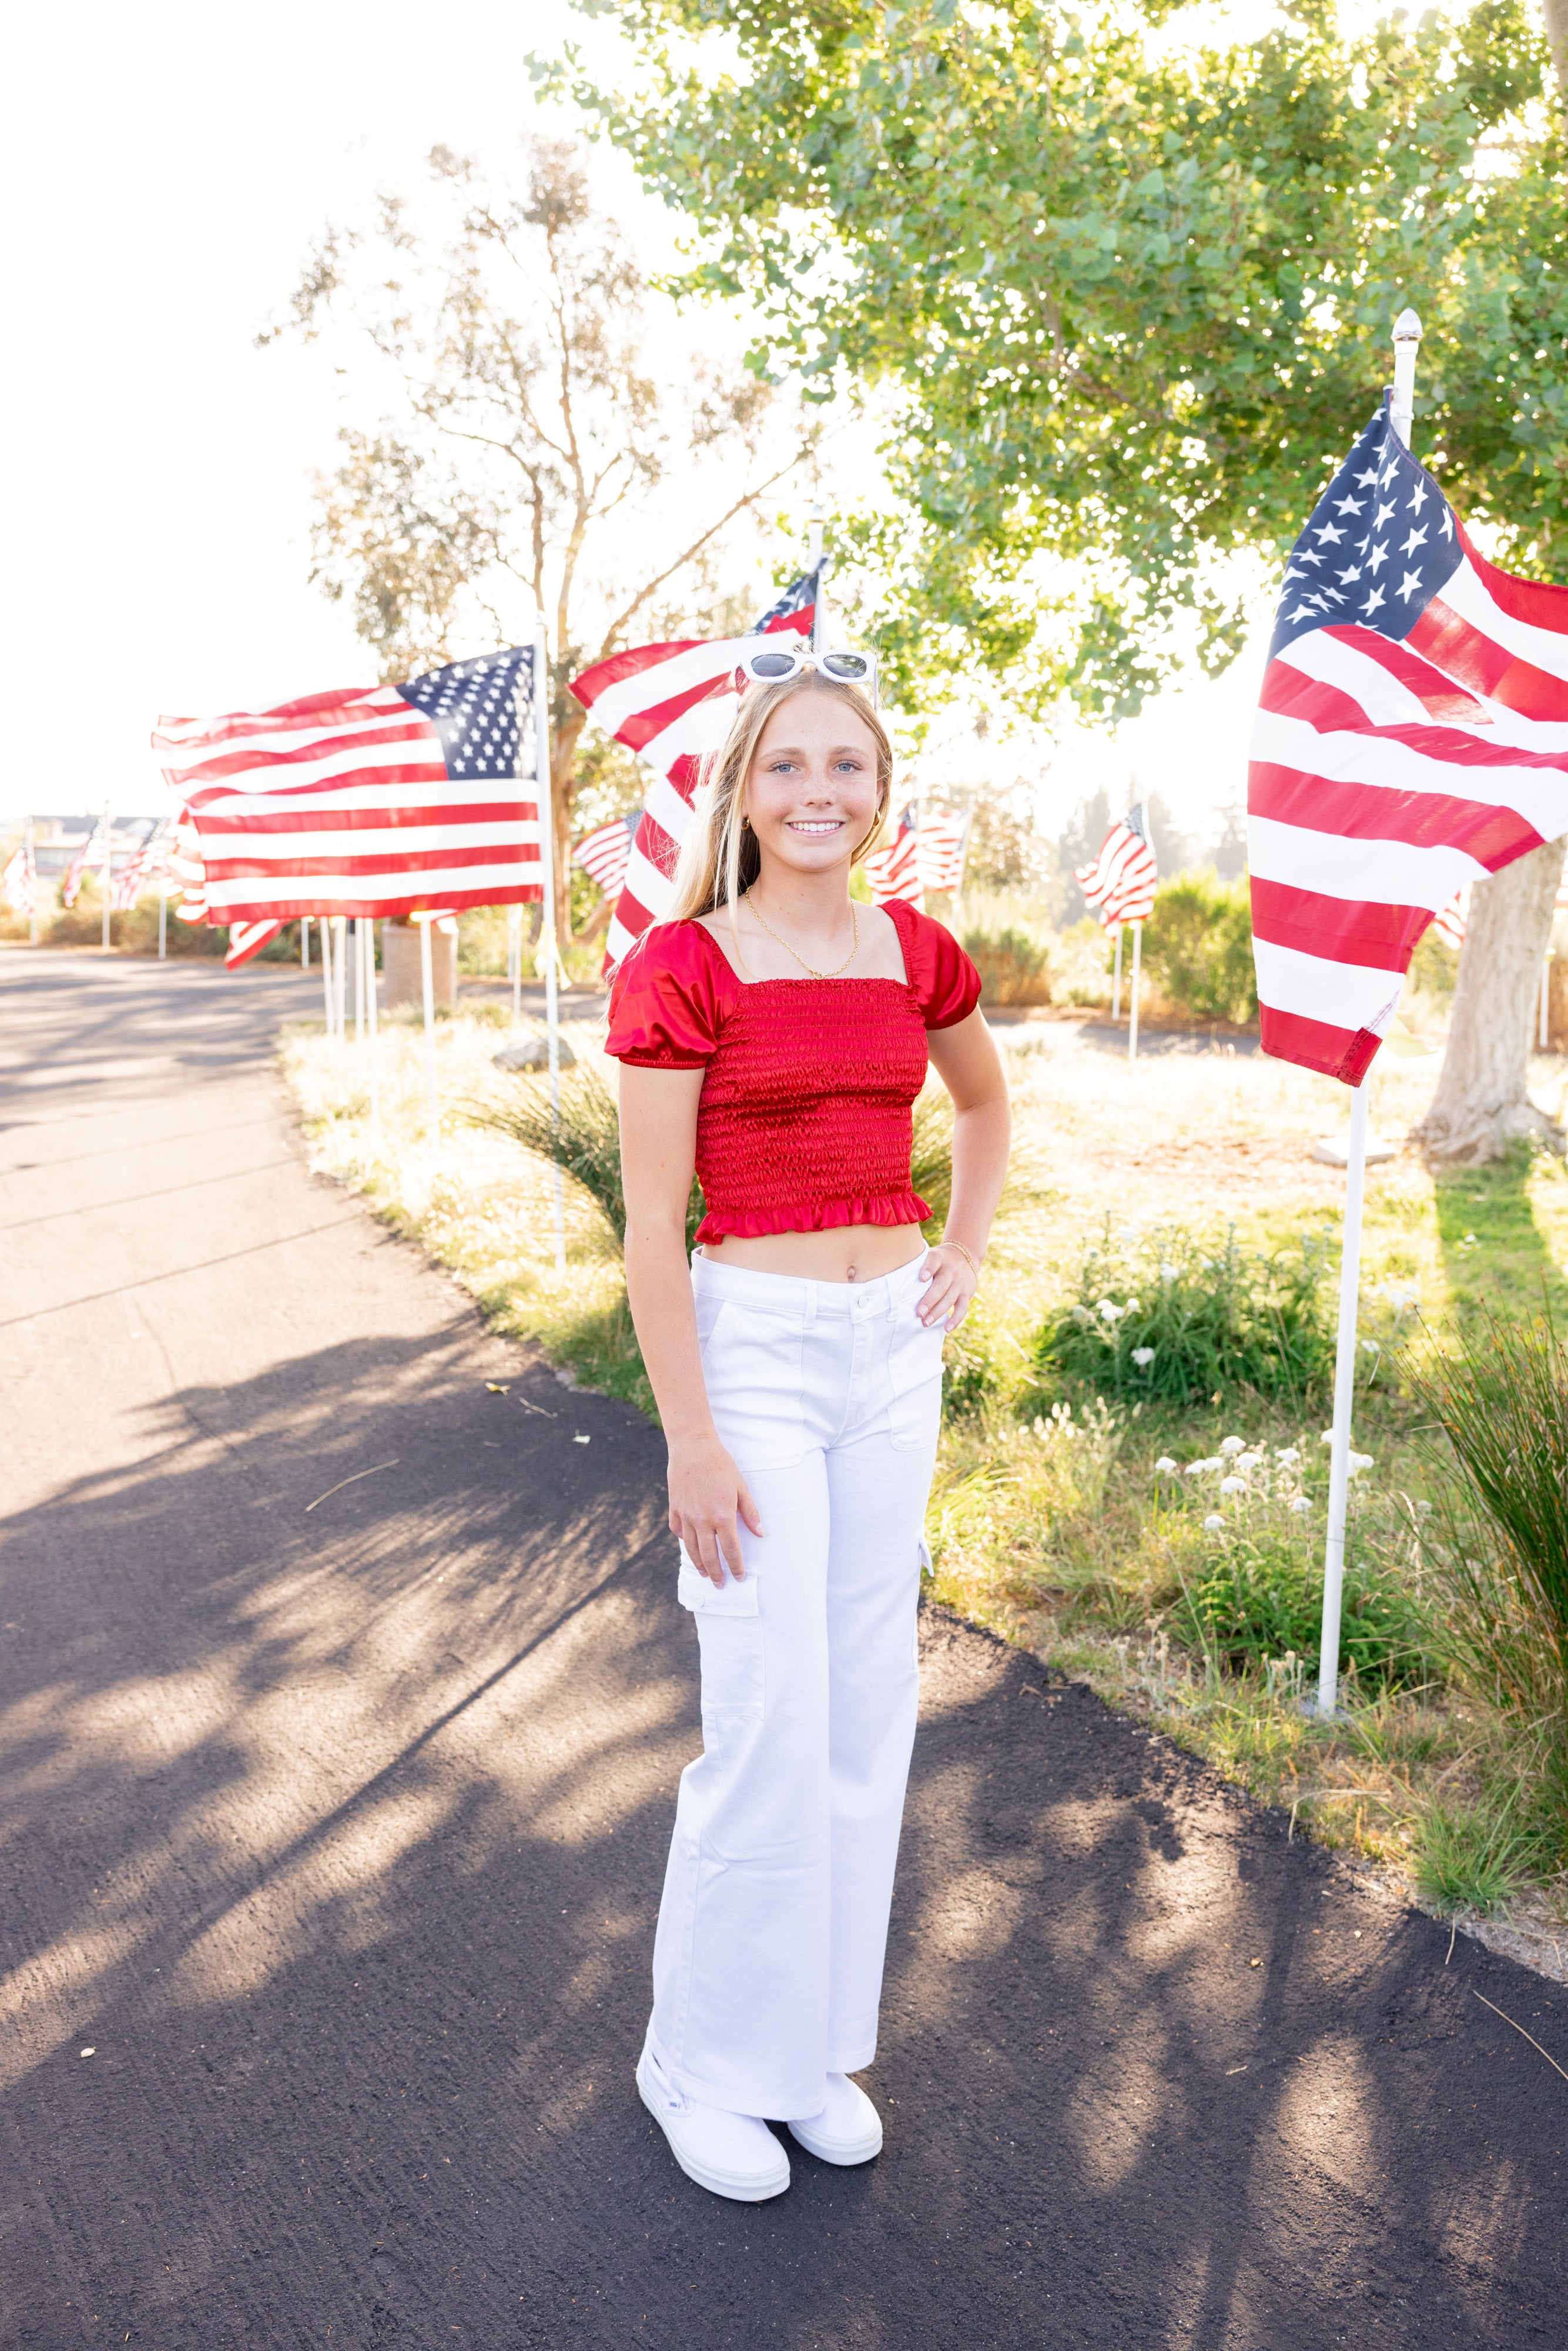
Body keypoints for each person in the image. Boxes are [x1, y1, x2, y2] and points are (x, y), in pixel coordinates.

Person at [606, 648, 1011, 2202]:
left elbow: (980, 1110)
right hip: (753, 1353)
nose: (819, 792)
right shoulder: (682, 967)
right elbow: (653, 1228)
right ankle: (694, 2061)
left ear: (881, 790)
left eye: (847, 766)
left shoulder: (917, 950)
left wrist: (959, 1252)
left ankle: (807, 2052)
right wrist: (689, 1436)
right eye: (789, 766)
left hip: (886, 1350)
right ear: (745, 791)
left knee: (860, 1709)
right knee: (767, 1720)